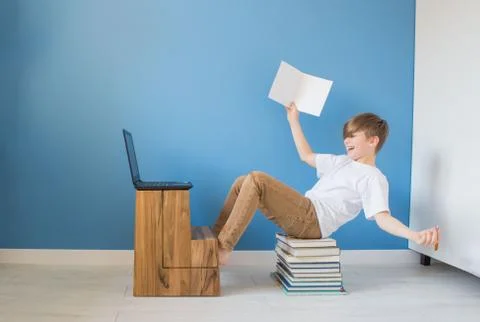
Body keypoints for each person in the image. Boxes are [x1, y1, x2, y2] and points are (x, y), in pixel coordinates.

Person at [212, 103, 440, 265]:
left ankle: (224, 248)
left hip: (313, 221)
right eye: (346, 136)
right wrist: (293, 121)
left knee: (258, 179)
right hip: (303, 211)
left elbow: (382, 218)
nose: (346, 140)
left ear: (373, 141)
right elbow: (306, 155)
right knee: (243, 182)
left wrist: (414, 235)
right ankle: (213, 240)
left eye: (353, 136)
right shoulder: (341, 162)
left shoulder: (373, 177)